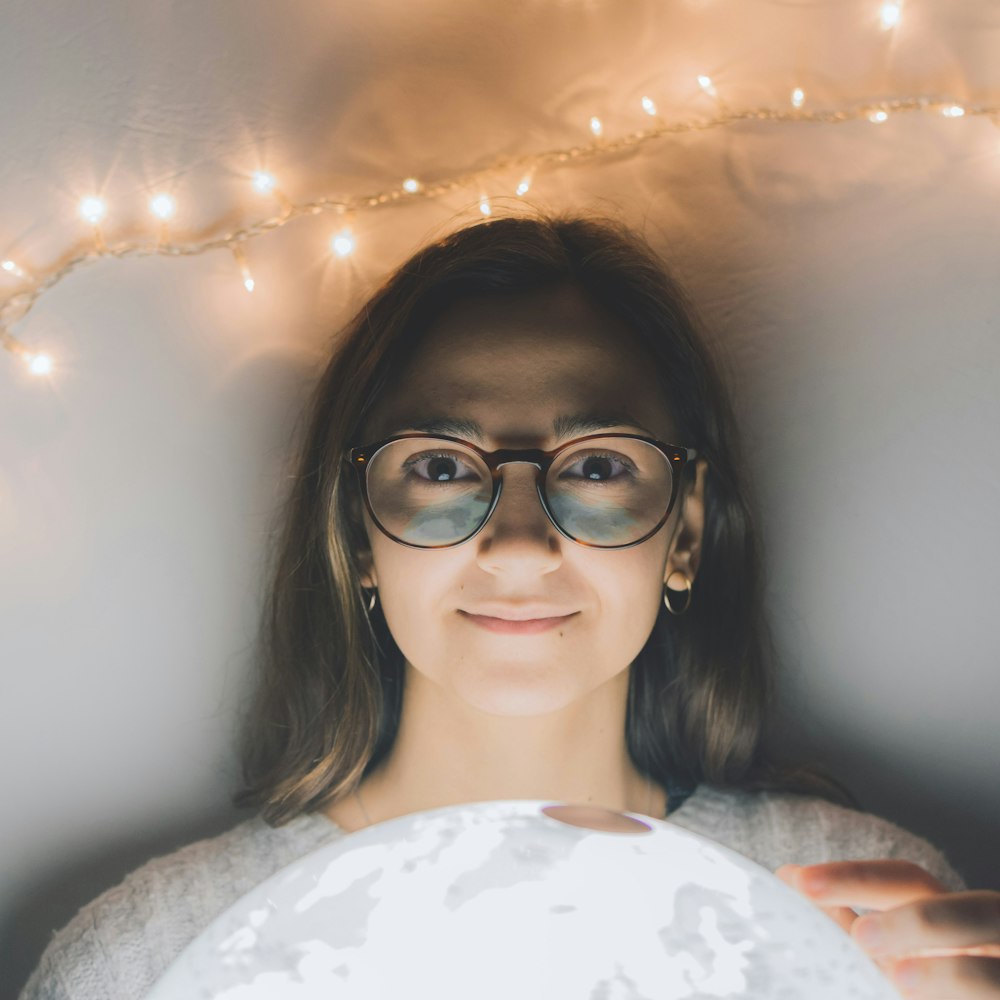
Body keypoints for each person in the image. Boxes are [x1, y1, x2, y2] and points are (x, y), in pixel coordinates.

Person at [21, 213, 999, 999]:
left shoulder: (856, 920)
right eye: (442, 466)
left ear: (688, 530)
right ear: (357, 533)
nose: (520, 541)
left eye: (599, 465)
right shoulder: (160, 959)